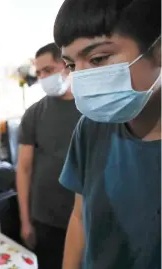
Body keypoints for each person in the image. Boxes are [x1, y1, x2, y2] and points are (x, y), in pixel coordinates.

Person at [53, 0, 161, 268]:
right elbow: (80, 216)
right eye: (72, 65)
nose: (82, 79)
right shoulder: (91, 128)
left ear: (158, 52)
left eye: (98, 59)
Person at [16, 43, 81, 269]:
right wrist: (25, 221)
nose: (43, 77)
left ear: (67, 66)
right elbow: (23, 169)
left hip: (86, 219)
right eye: (39, 72)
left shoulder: (92, 109)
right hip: (45, 220)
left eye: (48, 70)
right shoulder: (34, 113)